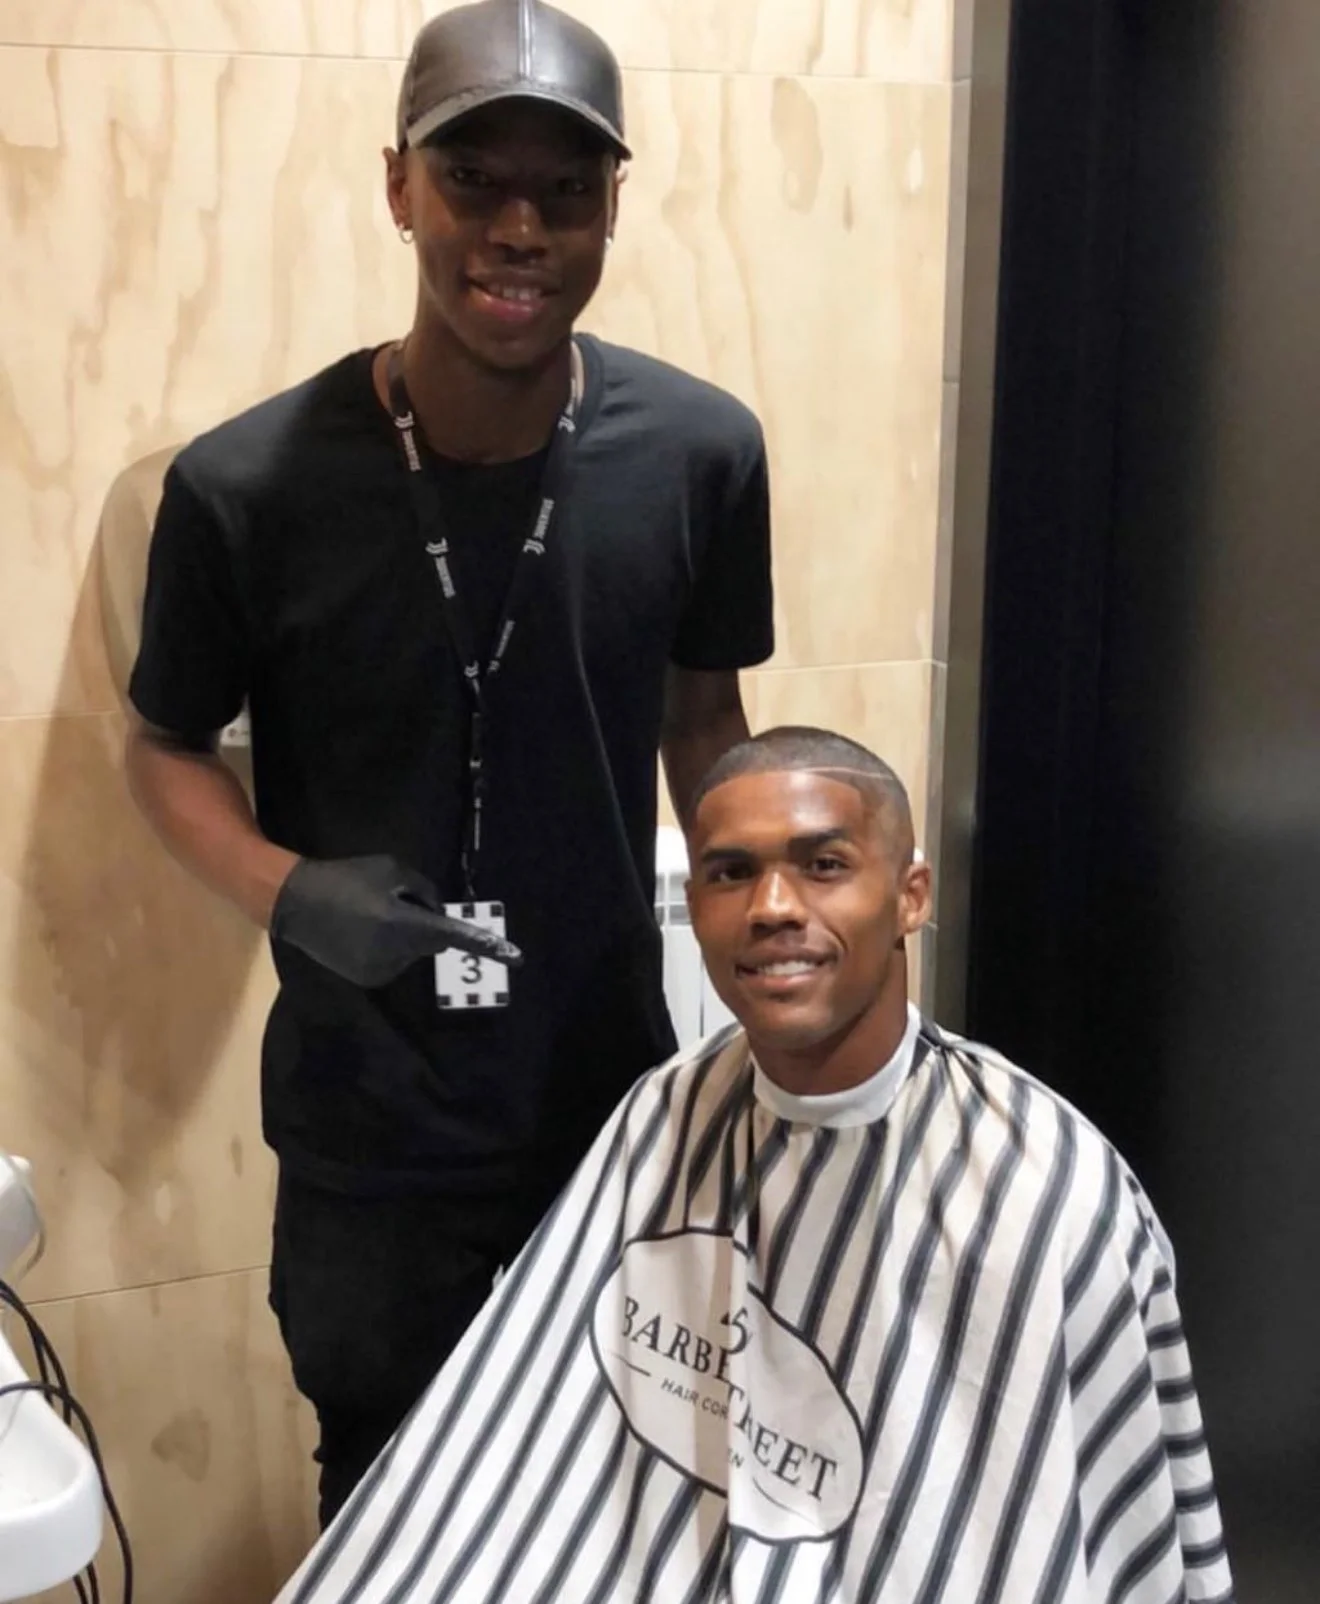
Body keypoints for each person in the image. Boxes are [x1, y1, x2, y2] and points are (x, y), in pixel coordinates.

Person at [124, 0, 773, 1528]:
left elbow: (706, 722)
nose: (520, 227)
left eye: (568, 188)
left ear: (615, 204)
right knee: (394, 1500)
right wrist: (289, 894)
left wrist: (777, 923)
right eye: (475, 178)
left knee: (612, 1494)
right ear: (398, 185)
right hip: (368, 1133)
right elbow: (161, 752)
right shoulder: (243, 488)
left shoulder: (701, 454)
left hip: (608, 1111)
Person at [270, 726, 1234, 1604]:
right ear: (695, 905)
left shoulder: (1047, 1189)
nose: (773, 907)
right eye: (731, 874)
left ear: (911, 895)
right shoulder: (665, 1115)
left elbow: (1074, 1527)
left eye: (823, 864)